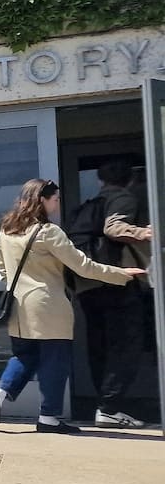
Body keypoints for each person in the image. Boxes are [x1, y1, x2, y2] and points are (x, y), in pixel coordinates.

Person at [0, 179, 144, 434]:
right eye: (55, 199)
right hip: (49, 306)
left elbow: (2, 271)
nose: (57, 204)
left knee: (24, 356)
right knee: (55, 362)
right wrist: (121, 274)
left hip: (19, 307)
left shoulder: (7, 231)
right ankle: (48, 418)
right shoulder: (48, 232)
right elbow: (84, 266)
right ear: (42, 200)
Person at [75, 160, 153, 428]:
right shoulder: (123, 198)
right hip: (117, 283)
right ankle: (109, 407)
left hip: (89, 285)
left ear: (100, 181)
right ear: (130, 180)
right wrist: (148, 232)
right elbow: (114, 228)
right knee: (126, 345)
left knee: (99, 347)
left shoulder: (92, 203)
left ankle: (104, 405)